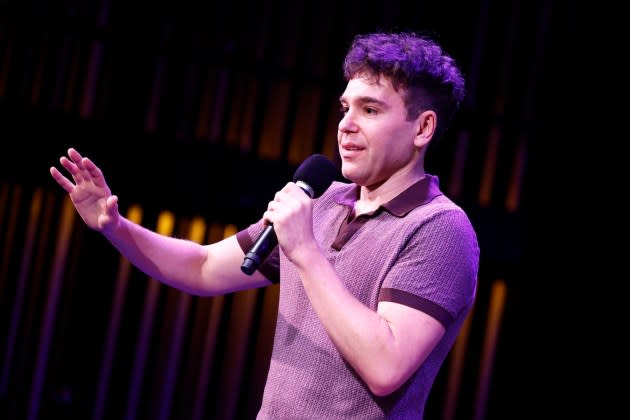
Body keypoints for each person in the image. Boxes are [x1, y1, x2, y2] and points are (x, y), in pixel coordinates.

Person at [50, 32, 479, 419]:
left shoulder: (440, 229)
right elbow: (201, 266)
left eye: (370, 110)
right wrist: (116, 227)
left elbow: (386, 367)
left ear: (422, 128)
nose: (346, 125)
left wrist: (306, 253)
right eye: (345, 108)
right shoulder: (324, 202)